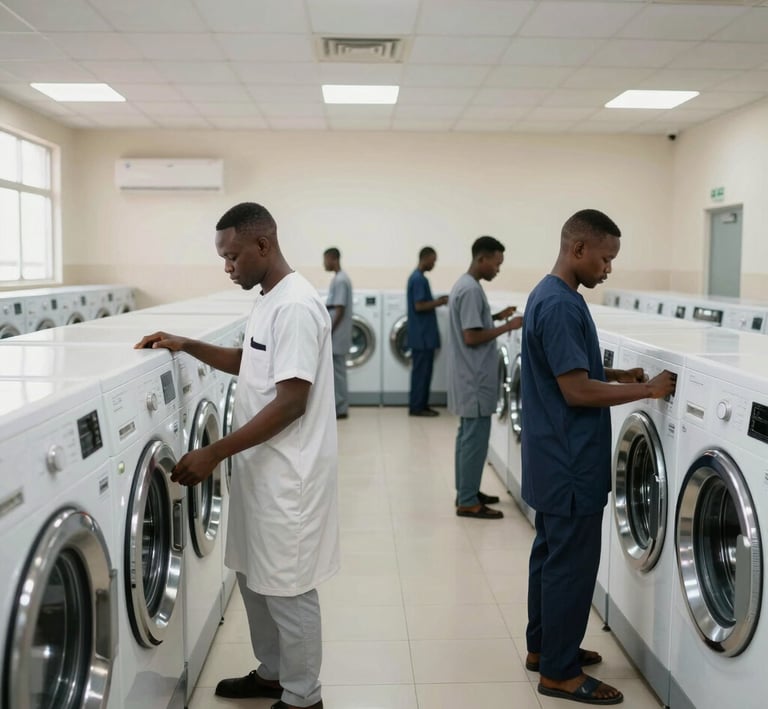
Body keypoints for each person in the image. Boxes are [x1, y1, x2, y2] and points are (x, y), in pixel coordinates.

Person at [135, 202, 339, 709]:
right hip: (260, 470)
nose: (227, 267)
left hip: (288, 474)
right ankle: (273, 673)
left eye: (232, 258)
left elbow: (292, 401)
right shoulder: (268, 298)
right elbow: (253, 363)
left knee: (287, 589)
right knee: (254, 578)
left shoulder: (294, 305)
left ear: (262, 245)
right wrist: (189, 345)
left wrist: (213, 453)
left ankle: (302, 695)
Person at [520, 209, 676, 706]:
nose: (608, 269)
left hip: (549, 455)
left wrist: (620, 376)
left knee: (549, 557)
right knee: (571, 565)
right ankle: (560, 674)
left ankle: (544, 649)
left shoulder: (547, 295)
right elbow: (576, 391)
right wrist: (647, 390)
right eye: (606, 259)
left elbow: (573, 371)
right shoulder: (563, 306)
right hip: (570, 461)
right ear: (578, 249)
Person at [446, 235, 522, 519]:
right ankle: (467, 501)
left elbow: (475, 323)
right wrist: (510, 326)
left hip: (467, 376)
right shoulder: (471, 290)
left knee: (467, 438)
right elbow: (471, 335)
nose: (498, 269)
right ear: (482, 259)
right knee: (474, 439)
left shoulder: (466, 286)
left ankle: (467, 491)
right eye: (496, 263)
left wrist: (497, 316)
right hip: (474, 379)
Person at [406, 246, 448, 417]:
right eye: (433, 260)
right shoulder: (418, 279)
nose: (434, 264)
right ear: (425, 258)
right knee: (421, 373)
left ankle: (421, 404)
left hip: (421, 335)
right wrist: (440, 301)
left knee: (423, 372)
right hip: (422, 336)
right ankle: (417, 407)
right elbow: (419, 305)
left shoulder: (417, 278)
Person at [323, 247, 353, 420]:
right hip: (339, 335)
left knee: (338, 373)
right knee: (337, 372)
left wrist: (330, 330)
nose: (324, 264)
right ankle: (339, 405)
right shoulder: (340, 278)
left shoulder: (340, 280)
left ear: (333, 259)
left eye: (325, 260)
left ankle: (341, 408)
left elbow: (339, 309)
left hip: (337, 335)